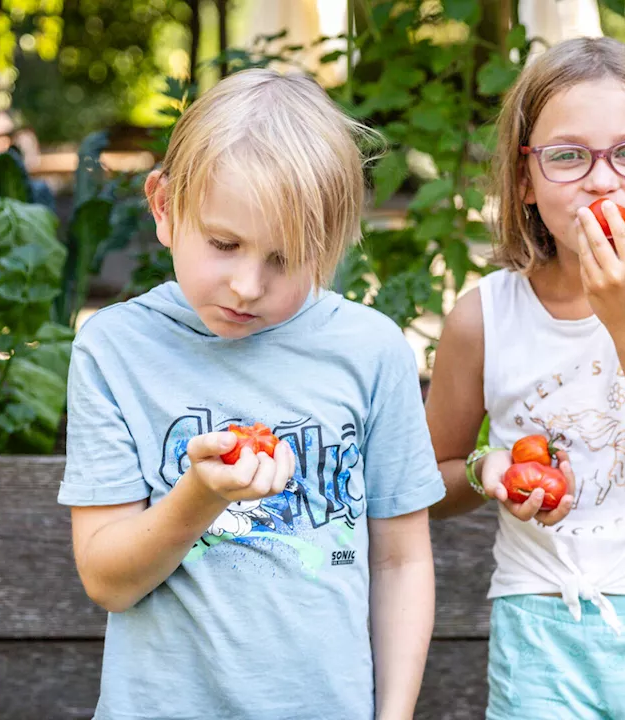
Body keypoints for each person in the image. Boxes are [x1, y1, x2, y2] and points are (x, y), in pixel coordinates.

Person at [58, 68, 446, 720]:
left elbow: (401, 561)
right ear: (163, 206)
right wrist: (200, 496)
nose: (245, 284)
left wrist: (396, 714)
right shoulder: (116, 350)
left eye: (284, 258)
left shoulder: (370, 351)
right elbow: (107, 580)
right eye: (224, 244)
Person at [424, 37, 625, 719]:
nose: (601, 180)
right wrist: (488, 468)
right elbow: (428, 482)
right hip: (544, 639)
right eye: (568, 156)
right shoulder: (482, 317)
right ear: (525, 180)